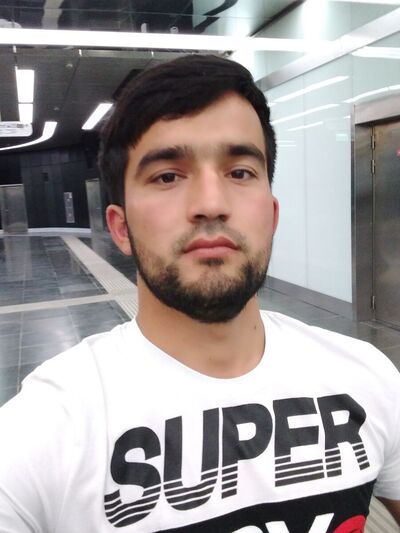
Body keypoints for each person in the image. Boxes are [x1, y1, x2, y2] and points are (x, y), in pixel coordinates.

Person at [0, 54, 399, 533]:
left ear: (272, 216)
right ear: (121, 228)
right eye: (168, 176)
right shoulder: (48, 430)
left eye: (240, 172)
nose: (211, 204)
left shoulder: (367, 378)